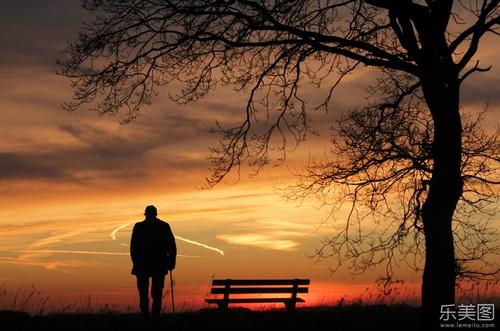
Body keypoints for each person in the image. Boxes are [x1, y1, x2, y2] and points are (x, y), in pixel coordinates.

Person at [130, 205, 177, 319]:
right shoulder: (163, 226)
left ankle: (148, 316)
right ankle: (152, 315)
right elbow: (171, 246)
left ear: (146, 214)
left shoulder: (140, 227)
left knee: (148, 293)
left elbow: (133, 247)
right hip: (155, 264)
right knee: (153, 293)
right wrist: (171, 261)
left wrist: (171, 261)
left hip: (148, 264)